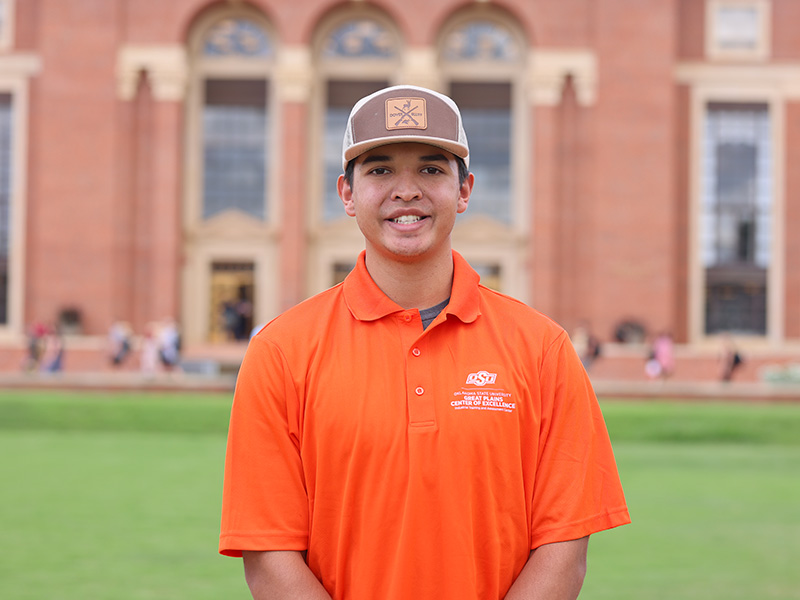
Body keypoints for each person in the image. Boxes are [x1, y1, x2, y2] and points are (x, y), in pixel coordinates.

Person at [219, 85, 630, 600]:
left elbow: (564, 546)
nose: (407, 190)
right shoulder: (280, 353)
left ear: (464, 191)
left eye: (432, 170)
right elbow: (269, 551)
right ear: (347, 194)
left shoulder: (542, 348)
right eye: (381, 170)